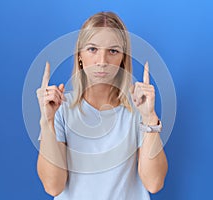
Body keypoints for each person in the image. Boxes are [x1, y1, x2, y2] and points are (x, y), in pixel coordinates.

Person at [36, 11, 168, 199]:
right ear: (80, 55)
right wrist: (47, 121)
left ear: (122, 58)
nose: (102, 61)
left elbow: (154, 183)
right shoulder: (60, 108)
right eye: (92, 49)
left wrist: (149, 118)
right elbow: (53, 186)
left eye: (113, 51)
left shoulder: (138, 108)